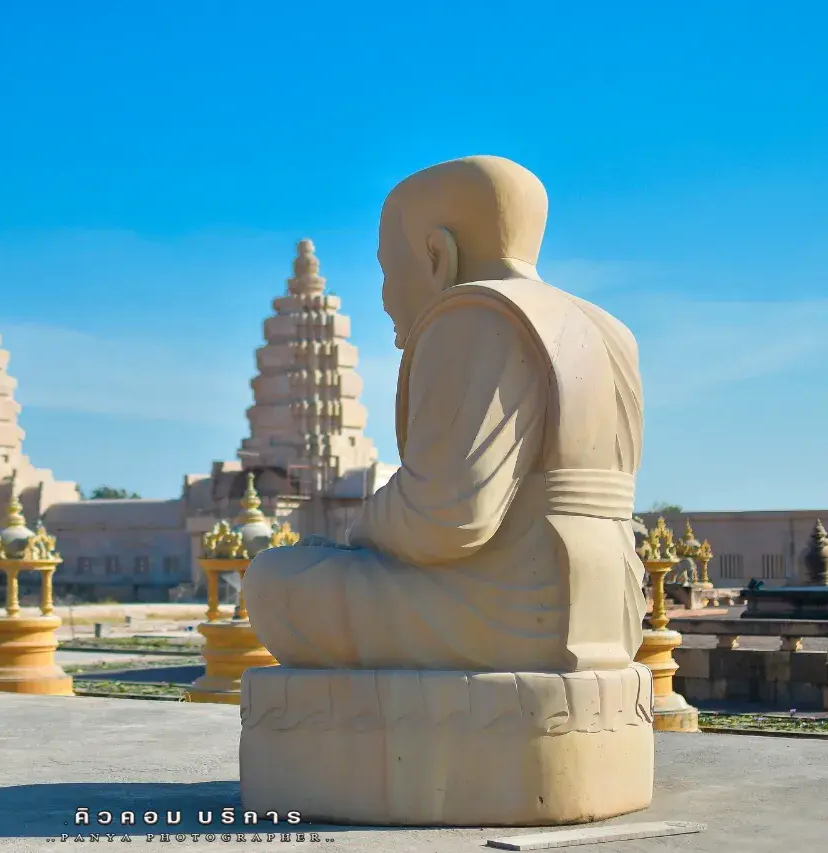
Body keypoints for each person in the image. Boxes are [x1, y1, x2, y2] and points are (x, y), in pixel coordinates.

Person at [244, 155, 647, 674]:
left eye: (389, 272)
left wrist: (360, 530)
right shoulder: (611, 329)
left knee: (278, 580)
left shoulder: (473, 315)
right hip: (612, 609)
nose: (386, 297)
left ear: (438, 255)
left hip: (514, 609)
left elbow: (447, 517)